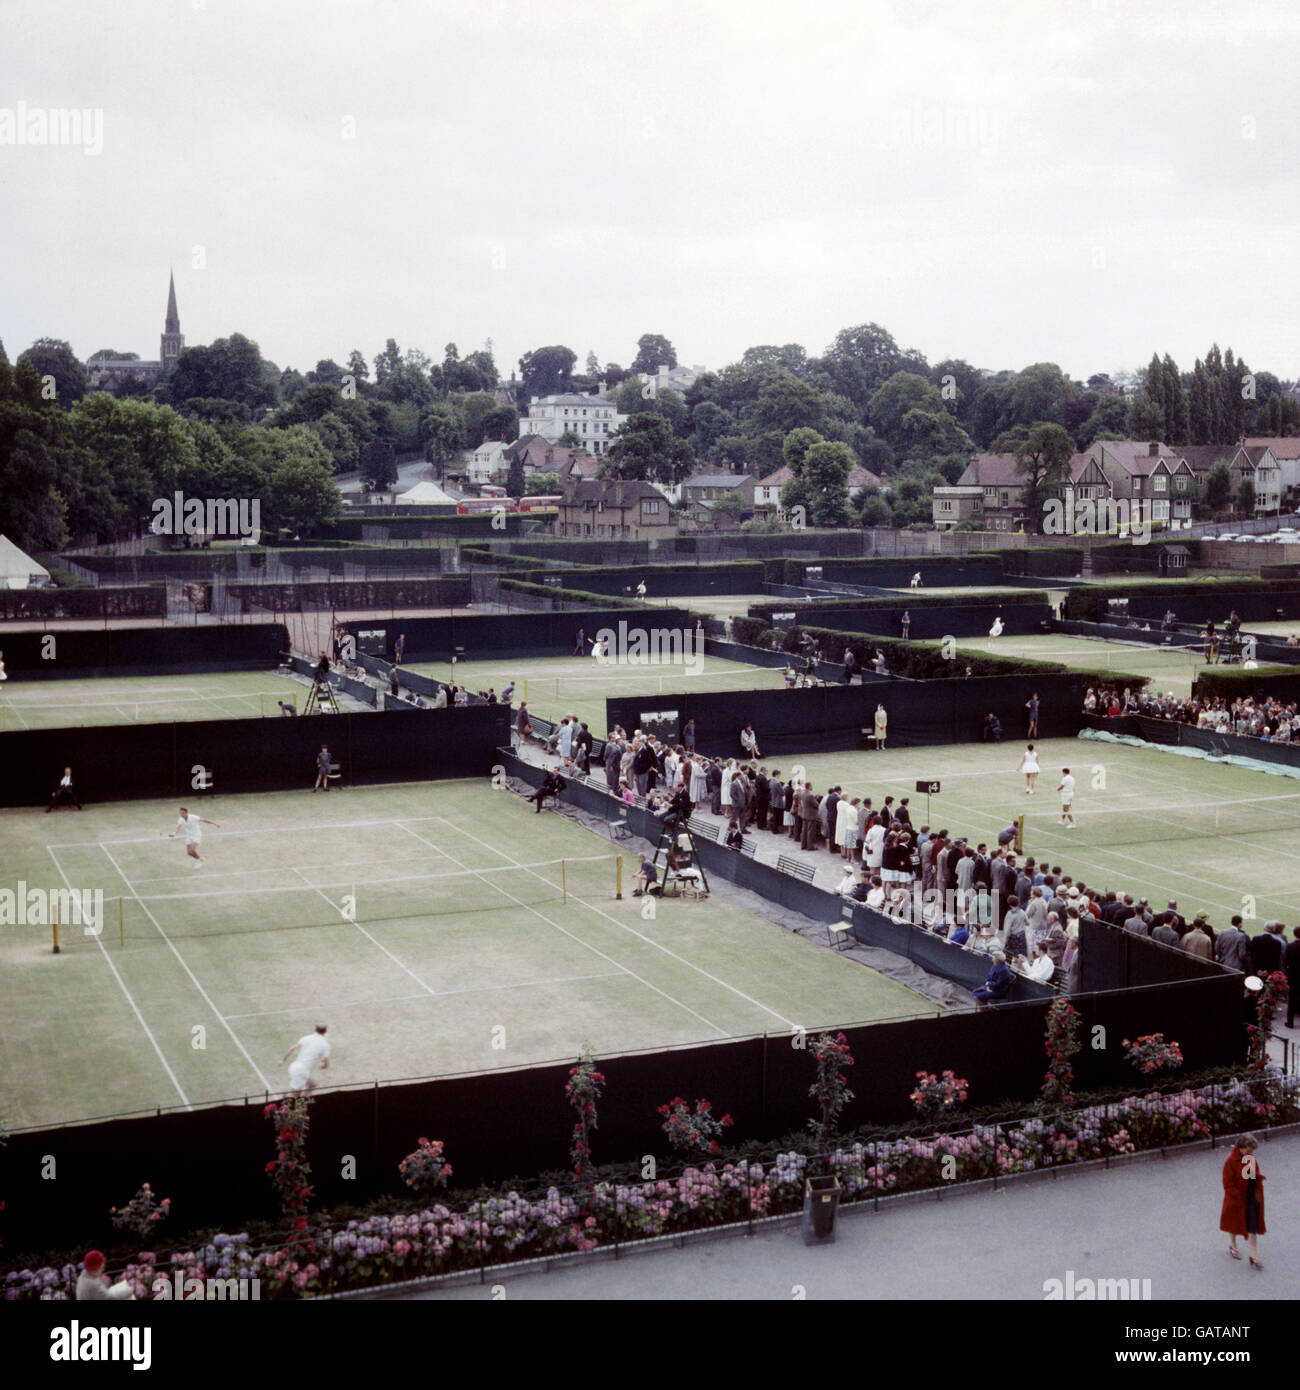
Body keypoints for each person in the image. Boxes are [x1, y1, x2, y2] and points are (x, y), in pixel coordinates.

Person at [1220, 1133, 1266, 1269]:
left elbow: (1252, 1175)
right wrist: (1238, 1196)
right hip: (1236, 1200)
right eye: (1249, 1150)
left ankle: (1254, 1256)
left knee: (1253, 1226)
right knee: (1233, 1223)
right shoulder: (1230, 1161)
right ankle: (1233, 1246)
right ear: (1241, 1147)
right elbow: (1228, 1184)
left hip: (1250, 1198)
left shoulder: (1249, 1157)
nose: (1251, 1153)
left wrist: (1257, 1183)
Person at [282, 1024, 330, 1092]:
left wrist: (283, 1060)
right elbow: (325, 1065)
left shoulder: (306, 1038)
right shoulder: (325, 1045)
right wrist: (323, 1065)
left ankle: (301, 1101)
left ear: (315, 1029)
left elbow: (291, 1049)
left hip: (294, 1066)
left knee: (312, 1085)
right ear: (325, 1032)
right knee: (295, 1094)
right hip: (300, 1071)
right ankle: (289, 1098)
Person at [1285, 926, 1300, 1028]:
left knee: (1292, 999)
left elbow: (1286, 962)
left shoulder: (1290, 946)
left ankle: (1290, 1022)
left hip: (1293, 975)